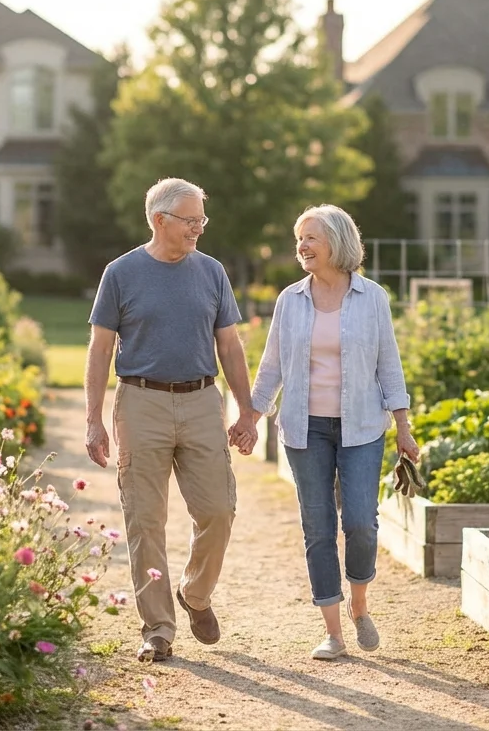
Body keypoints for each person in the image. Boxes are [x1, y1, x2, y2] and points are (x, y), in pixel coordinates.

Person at [84, 177, 259, 663]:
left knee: (219, 510)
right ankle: (158, 628)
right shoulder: (120, 273)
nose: (199, 228)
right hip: (141, 402)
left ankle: (195, 594)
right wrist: (94, 420)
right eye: (191, 219)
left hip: (202, 399)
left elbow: (229, 345)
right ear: (160, 220)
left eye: (202, 219)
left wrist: (247, 410)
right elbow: (100, 349)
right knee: (146, 520)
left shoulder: (212, 272)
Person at [248, 204, 419, 660]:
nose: (301, 246)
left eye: (311, 238)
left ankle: (360, 606)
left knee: (361, 523)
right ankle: (333, 632)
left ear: (337, 243)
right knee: (318, 527)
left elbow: (390, 366)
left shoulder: (373, 298)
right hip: (305, 429)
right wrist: (250, 416)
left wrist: (404, 427)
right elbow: (272, 366)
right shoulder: (290, 300)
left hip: (362, 427)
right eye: (298, 238)